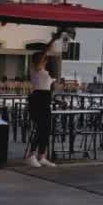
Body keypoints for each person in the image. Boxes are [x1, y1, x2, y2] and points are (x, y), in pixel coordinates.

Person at [25, 31, 69, 168]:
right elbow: (43, 53)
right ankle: (31, 155)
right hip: (37, 100)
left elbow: (48, 90)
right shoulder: (35, 69)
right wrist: (52, 41)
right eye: (43, 59)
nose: (45, 60)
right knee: (40, 129)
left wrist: (58, 101)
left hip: (44, 99)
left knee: (46, 129)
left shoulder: (44, 72)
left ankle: (41, 155)